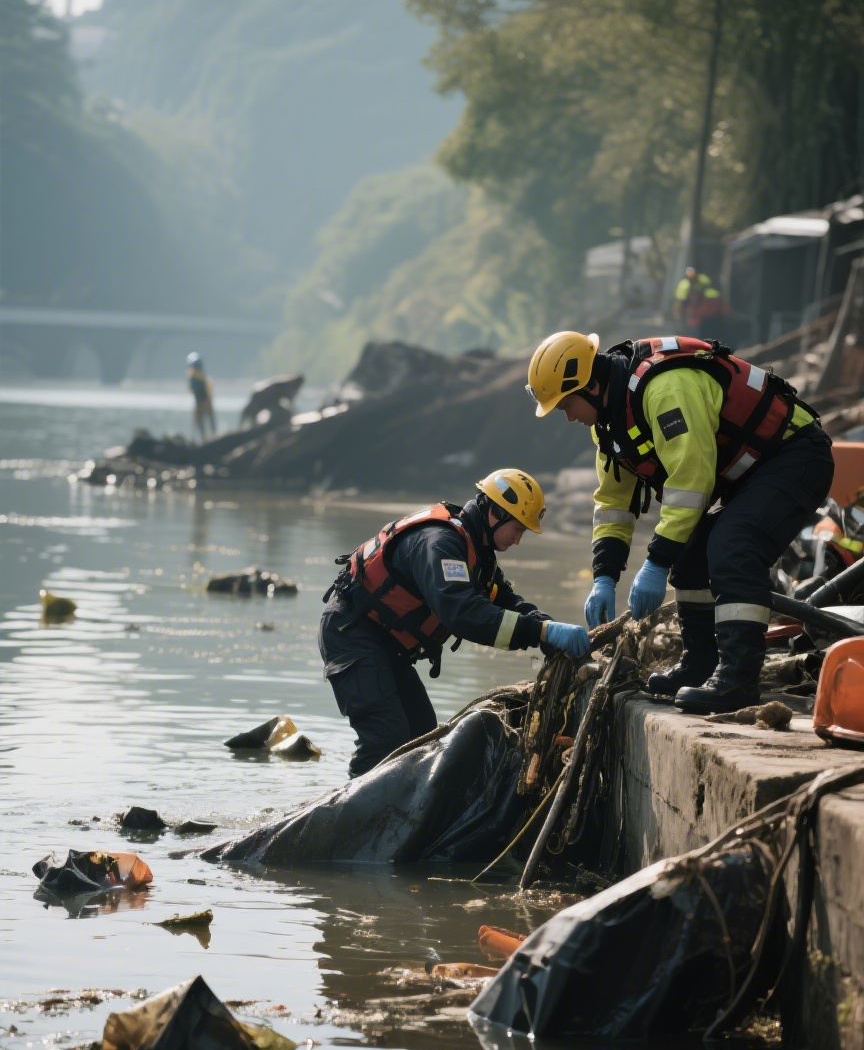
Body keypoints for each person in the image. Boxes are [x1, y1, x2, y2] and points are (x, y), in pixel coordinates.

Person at [526, 330, 834, 714]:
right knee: (690, 559)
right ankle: (701, 665)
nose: (568, 416)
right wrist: (604, 575)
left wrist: (654, 562)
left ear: (589, 386)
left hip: (795, 456)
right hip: (752, 471)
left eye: (566, 405)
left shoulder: (665, 390)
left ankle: (737, 679)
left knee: (733, 547)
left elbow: (691, 480)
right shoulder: (607, 425)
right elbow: (613, 503)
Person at [319, 470, 590, 776]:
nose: (518, 539)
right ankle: (353, 820)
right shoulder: (441, 543)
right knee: (386, 741)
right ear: (495, 513)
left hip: (384, 644)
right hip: (352, 634)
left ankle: (399, 816)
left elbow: (506, 601)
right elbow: (463, 614)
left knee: (420, 738)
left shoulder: (477, 552)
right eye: (517, 529)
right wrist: (540, 632)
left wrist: (548, 628)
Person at [186, 352, 217, 441]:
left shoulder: (201, 378)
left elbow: (206, 391)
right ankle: (204, 440)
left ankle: (210, 439)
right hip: (199, 404)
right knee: (201, 424)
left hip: (204, 403)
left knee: (207, 423)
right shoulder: (195, 378)